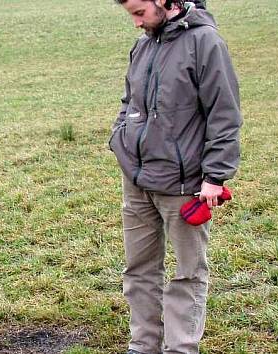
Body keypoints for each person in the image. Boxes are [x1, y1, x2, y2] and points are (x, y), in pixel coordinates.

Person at [108, 0, 242, 353]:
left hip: (184, 186)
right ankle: (143, 344)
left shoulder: (206, 43)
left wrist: (215, 176)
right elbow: (129, 100)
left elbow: (224, 114)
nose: (136, 23)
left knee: (187, 273)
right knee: (138, 269)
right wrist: (119, 135)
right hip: (137, 181)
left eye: (139, 12)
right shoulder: (143, 45)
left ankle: (180, 348)